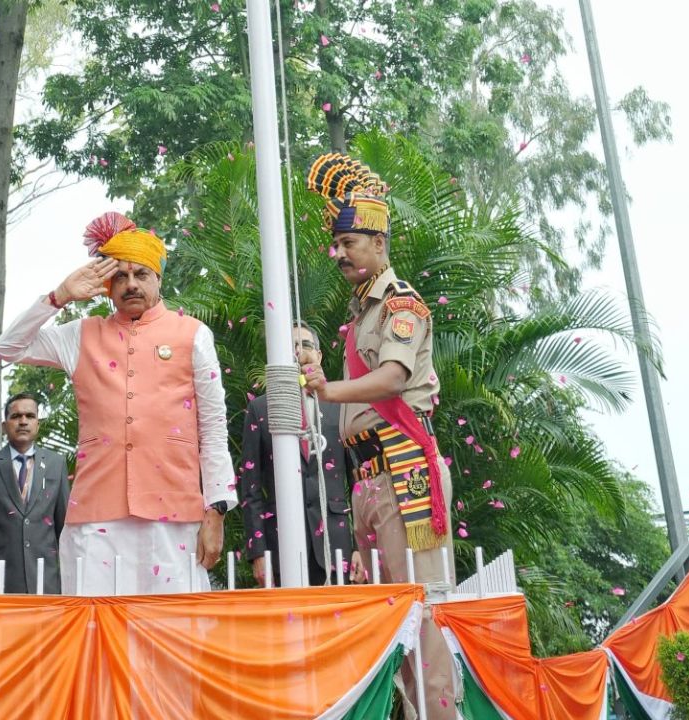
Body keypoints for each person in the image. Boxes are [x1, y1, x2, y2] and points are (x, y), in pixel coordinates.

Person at [0, 211, 237, 595]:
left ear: (158, 278)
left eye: (141, 274)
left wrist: (217, 510)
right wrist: (59, 297)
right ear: (106, 286)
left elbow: (213, 426)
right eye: (119, 276)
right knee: (97, 632)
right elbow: (8, 347)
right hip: (95, 516)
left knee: (171, 635)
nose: (130, 284)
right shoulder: (81, 335)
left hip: (173, 513)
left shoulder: (193, 335)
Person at [301, 154, 457, 718]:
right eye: (337, 244)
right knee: (395, 613)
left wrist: (326, 391)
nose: (338, 253)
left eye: (348, 242)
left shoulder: (401, 304)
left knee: (424, 607)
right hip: (370, 476)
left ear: (379, 241)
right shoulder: (363, 310)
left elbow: (393, 378)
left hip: (404, 469)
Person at [240, 322, 360, 587]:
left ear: (319, 355)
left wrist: (360, 546)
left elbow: (357, 481)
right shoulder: (260, 409)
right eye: (290, 346)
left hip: (337, 546)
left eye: (306, 345)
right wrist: (258, 553)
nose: (298, 351)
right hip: (282, 545)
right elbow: (250, 489)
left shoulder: (341, 406)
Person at [0, 392, 70, 594]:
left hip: (46, 584)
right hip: (0, 584)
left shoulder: (56, 465)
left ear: (38, 424)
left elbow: (64, 531)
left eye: (30, 416)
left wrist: (69, 585)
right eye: (16, 416)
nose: (23, 422)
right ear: (4, 426)